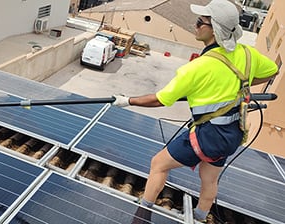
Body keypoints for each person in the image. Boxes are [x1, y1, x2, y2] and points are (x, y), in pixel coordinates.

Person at [112, 0, 278, 222]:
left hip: (208, 136)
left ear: (215, 30)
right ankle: (200, 217)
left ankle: (141, 216)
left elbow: (160, 100)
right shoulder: (247, 54)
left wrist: (127, 100)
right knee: (209, 179)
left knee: (158, 164)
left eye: (201, 21)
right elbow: (272, 71)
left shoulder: (196, 68)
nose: (196, 24)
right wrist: (244, 84)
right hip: (232, 133)